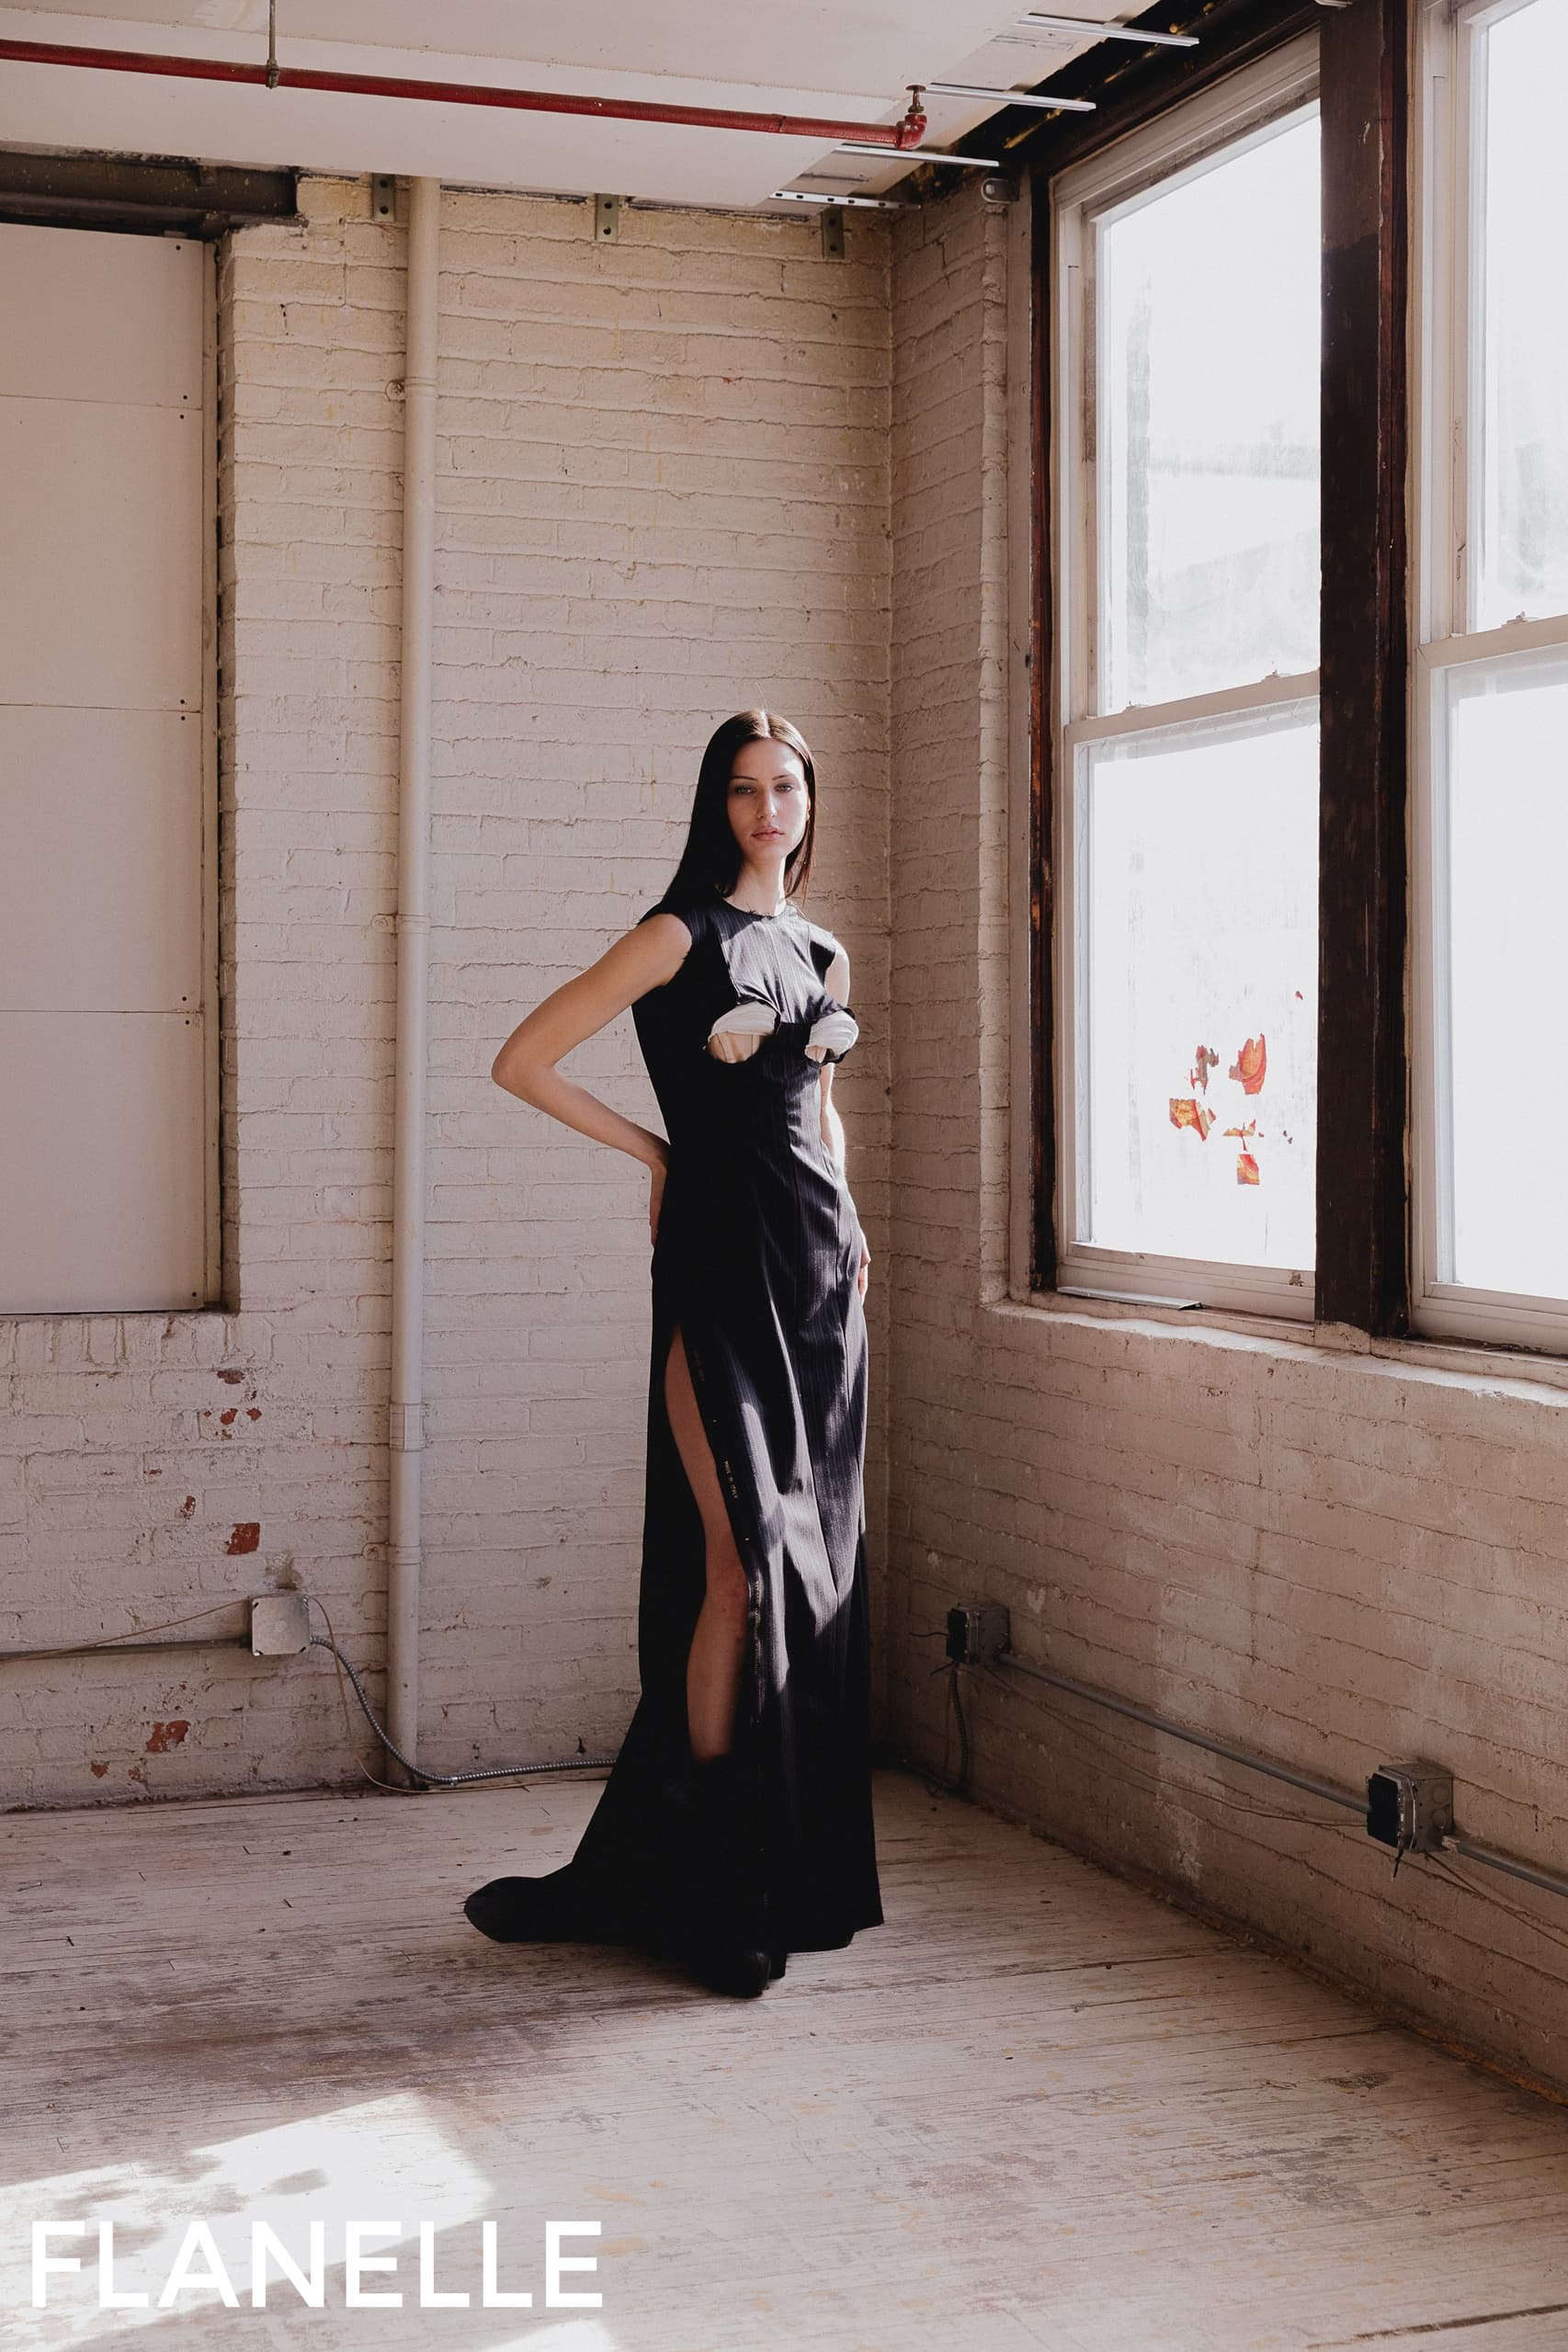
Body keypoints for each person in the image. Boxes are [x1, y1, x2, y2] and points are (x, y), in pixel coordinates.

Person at [462, 710, 884, 1997]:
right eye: (746, 789)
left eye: (788, 787)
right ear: (716, 805)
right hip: (720, 1264)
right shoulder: (675, 936)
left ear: (809, 803)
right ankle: (707, 1884)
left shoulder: (820, 948)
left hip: (821, 1283)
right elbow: (521, 1059)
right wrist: (654, 1152)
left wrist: (855, 1225)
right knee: (737, 1565)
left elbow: (820, 1108)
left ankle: (726, 1866)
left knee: (811, 1578)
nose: (770, 808)